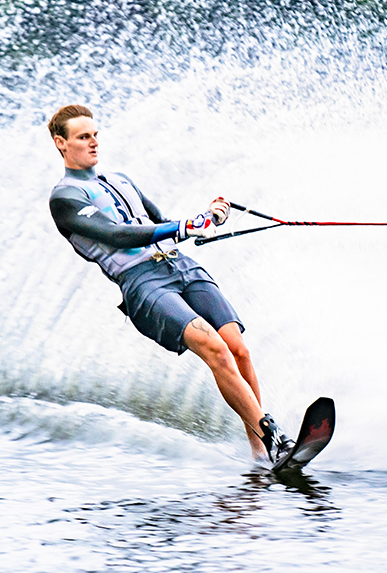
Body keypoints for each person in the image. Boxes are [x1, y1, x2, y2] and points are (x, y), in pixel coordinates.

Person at [46, 103, 292, 463]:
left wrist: (208, 217)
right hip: (142, 284)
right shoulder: (64, 198)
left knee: (237, 348)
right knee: (215, 349)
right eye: (84, 137)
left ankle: (260, 453)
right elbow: (116, 234)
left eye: (96, 135)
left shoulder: (121, 180)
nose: (94, 143)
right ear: (61, 143)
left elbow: (162, 224)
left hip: (180, 267)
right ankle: (274, 437)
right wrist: (183, 226)